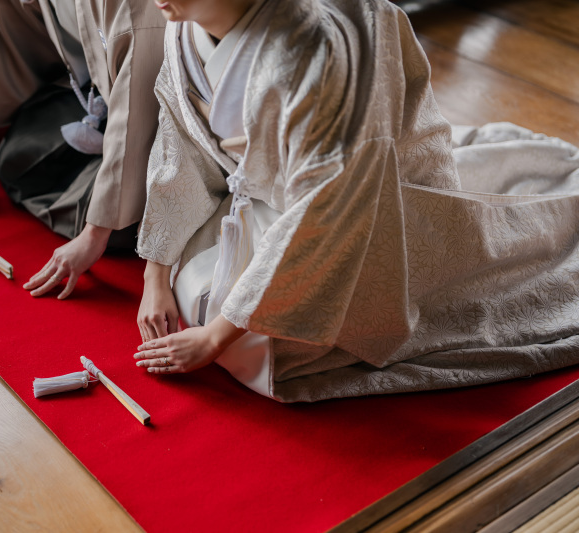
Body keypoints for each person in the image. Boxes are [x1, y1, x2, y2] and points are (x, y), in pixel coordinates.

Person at [134, 0, 579, 402]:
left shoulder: (325, 47)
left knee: (247, 343)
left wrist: (215, 337)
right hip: (272, 195)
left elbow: (325, 209)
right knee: (192, 288)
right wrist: (156, 274)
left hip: (362, 207)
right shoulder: (185, 31)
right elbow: (181, 149)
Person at [0, 0, 165, 299]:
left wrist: (94, 234)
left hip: (154, 119)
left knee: (117, 225)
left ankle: (119, 212)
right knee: (15, 159)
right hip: (92, 95)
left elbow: (138, 103)